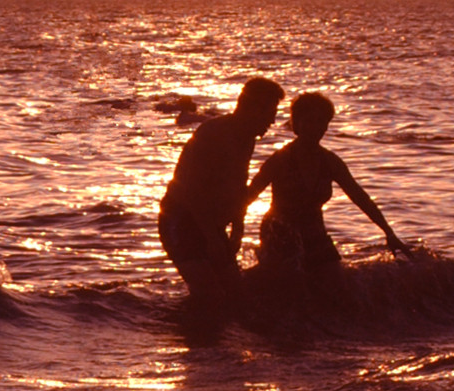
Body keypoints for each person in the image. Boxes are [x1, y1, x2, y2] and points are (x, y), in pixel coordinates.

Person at [245, 93, 405, 281]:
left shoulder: (330, 162)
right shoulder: (280, 160)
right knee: (289, 284)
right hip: (281, 231)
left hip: (315, 231)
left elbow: (359, 197)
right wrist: (226, 233)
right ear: (296, 124)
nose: (315, 127)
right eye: (309, 121)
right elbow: (248, 196)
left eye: (321, 122)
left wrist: (389, 232)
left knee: (336, 285)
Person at [158, 76, 283, 309]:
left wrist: (238, 228)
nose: (274, 120)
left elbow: (238, 187)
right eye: (270, 112)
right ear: (253, 108)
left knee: (237, 296)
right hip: (180, 222)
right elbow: (193, 191)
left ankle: (218, 344)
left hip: (211, 226)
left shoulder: (247, 137)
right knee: (210, 296)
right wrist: (212, 237)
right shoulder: (213, 133)